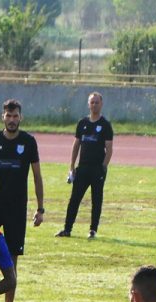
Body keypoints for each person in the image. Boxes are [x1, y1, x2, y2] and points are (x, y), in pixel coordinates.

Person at [0, 99, 44, 302]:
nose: (11, 120)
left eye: (15, 116)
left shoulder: (28, 142)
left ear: (21, 117)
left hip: (17, 210)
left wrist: (40, 208)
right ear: (3, 117)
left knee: (11, 261)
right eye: (8, 116)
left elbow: (37, 176)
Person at [56, 92, 114, 240]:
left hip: (97, 169)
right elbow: (76, 145)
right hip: (82, 168)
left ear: (101, 104)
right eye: (92, 102)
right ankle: (67, 229)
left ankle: (93, 230)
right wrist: (71, 166)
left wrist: (103, 167)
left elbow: (109, 149)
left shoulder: (105, 125)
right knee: (74, 199)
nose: (94, 105)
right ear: (88, 104)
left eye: (97, 102)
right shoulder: (82, 123)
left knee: (96, 200)